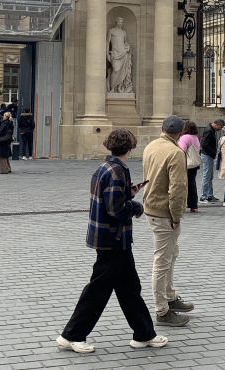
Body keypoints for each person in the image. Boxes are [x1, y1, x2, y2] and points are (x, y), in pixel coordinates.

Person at [55, 129, 168, 354]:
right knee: (98, 290)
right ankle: (72, 335)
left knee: (129, 288)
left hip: (107, 237)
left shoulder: (104, 167)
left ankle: (144, 334)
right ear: (130, 146)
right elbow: (115, 208)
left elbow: (111, 199)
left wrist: (129, 192)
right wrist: (136, 207)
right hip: (113, 238)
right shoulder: (118, 170)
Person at [141, 115, 192, 327]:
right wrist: (176, 215)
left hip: (151, 206)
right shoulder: (176, 153)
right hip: (164, 212)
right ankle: (162, 310)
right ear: (180, 133)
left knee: (171, 254)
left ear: (162, 128)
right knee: (162, 260)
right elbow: (177, 189)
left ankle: (170, 297)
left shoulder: (151, 146)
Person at [198, 119, 225, 203]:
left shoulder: (211, 130)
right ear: (216, 124)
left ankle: (209, 195)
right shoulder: (209, 131)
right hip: (207, 155)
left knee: (210, 176)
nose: (220, 129)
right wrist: (213, 153)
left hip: (208, 155)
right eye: (220, 127)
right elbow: (204, 144)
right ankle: (203, 196)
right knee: (207, 176)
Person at [177, 121, 202, 213]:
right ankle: (193, 205)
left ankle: (181, 205)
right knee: (192, 184)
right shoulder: (196, 137)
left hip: (186, 164)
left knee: (182, 184)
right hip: (194, 164)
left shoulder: (185, 137)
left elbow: (181, 150)